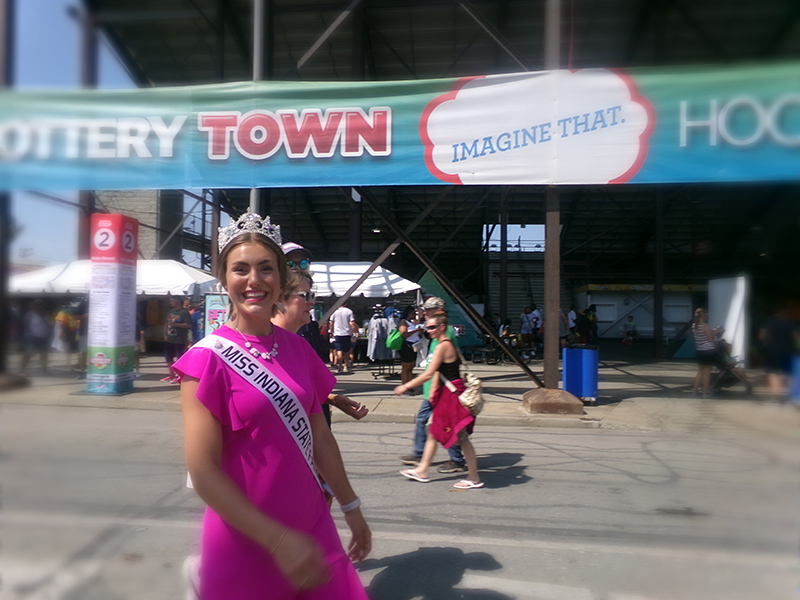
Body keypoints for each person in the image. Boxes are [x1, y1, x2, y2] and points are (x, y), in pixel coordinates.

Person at [174, 211, 370, 599]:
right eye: (240, 269)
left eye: (266, 268)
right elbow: (202, 471)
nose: (254, 280)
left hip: (310, 525)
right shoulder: (206, 359)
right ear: (224, 279)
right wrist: (277, 540)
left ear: (280, 279)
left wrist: (351, 507)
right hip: (245, 535)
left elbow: (320, 437)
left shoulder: (299, 348)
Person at [394, 314, 482, 490]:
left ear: (442, 327)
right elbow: (436, 373)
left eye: (432, 327)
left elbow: (428, 373)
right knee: (434, 431)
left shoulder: (443, 346)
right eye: (427, 327)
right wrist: (434, 388)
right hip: (448, 393)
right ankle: (423, 470)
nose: (429, 330)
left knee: (462, 438)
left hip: (452, 395)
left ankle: (474, 477)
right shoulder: (443, 344)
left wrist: (406, 386)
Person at [273, 269, 368, 423]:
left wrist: (333, 399)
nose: (312, 302)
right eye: (305, 296)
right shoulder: (257, 344)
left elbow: (304, 390)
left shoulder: (300, 345)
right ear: (279, 299)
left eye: (312, 295)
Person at [399, 296, 467, 474]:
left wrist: (408, 386)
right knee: (435, 423)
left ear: (439, 312)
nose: (424, 313)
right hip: (437, 387)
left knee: (442, 424)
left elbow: (437, 368)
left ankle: (453, 460)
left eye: (428, 311)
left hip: (442, 389)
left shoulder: (444, 334)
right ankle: (425, 457)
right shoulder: (437, 332)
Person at [162, 296, 192, 383]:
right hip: (170, 339)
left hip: (180, 339)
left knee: (180, 358)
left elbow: (189, 325)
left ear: (178, 301)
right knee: (168, 357)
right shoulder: (171, 311)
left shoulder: (184, 312)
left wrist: (176, 325)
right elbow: (166, 323)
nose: (170, 302)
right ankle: (171, 375)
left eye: (172, 300)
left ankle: (180, 375)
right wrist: (164, 334)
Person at [19, 299, 52, 376]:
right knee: (28, 354)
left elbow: (50, 324)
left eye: (42, 306)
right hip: (33, 337)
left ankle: (44, 370)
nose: (40, 307)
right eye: (38, 305)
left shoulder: (46, 314)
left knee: (44, 354)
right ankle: (22, 370)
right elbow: (25, 324)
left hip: (44, 337)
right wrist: (27, 334)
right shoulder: (30, 314)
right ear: (34, 306)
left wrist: (50, 335)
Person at [692, 308, 718, 398]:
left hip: (699, 351)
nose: (707, 316)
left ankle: (695, 391)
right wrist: (715, 332)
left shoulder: (694, 326)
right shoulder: (705, 326)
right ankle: (705, 393)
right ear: (703, 316)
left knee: (700, 372)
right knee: (707, 373)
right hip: (708, 351)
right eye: (706, 315)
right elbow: (711, 339)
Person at [398, 305, 422, 388]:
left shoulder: (412, 322)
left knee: (411, 366)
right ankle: (404, 385)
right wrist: (416, 330)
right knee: (406, 367)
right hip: (407, 345)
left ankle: (409, 384)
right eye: (413, 313)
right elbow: (404, 334)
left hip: (414, 345)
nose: (414, 315)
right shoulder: (403, 322)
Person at [330, 301, 357, 373]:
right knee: (346, 351)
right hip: (347, 333)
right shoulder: (349, 311)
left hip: (337, 333)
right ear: (346, 304)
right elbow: (353, 323)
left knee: (339, 350)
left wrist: (331, 332)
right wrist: (354, 332)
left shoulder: (334, 311)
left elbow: (331, 323)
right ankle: (346, 366)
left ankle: (340, 367)